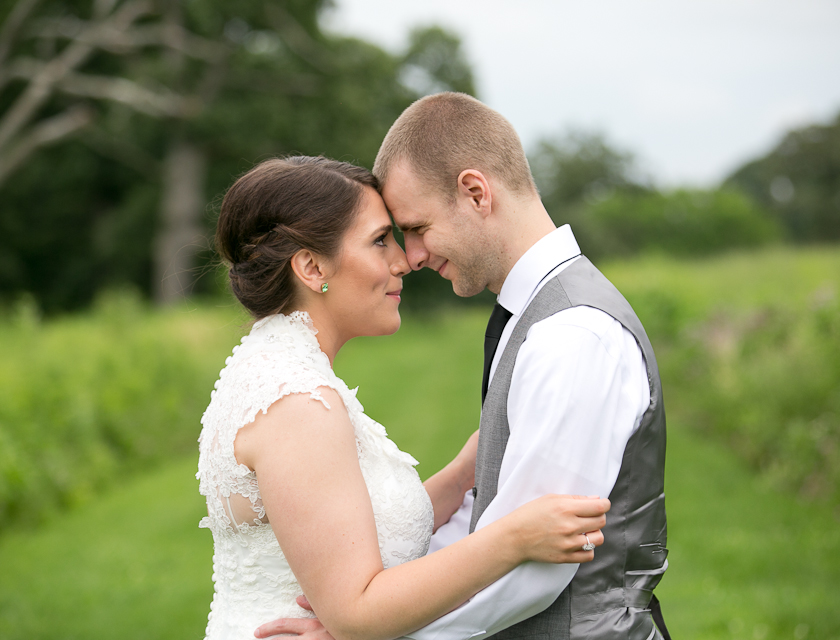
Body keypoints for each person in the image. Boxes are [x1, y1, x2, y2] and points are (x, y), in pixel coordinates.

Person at [259, 94, 671, 640]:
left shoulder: (571, 335)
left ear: (475, 193)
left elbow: (535, 570)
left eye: (417, 227)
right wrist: (367, 608)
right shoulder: (533, 317)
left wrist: (371, 634)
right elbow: (494, 527)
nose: (410, 258)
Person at [197, 155, 610, 640]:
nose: (403, 260)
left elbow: (360, 525)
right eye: (380, 241)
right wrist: (514, 538)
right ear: (311, 267)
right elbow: (357, 613)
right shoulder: (297, 404)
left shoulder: (282, 371)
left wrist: (463, 473)